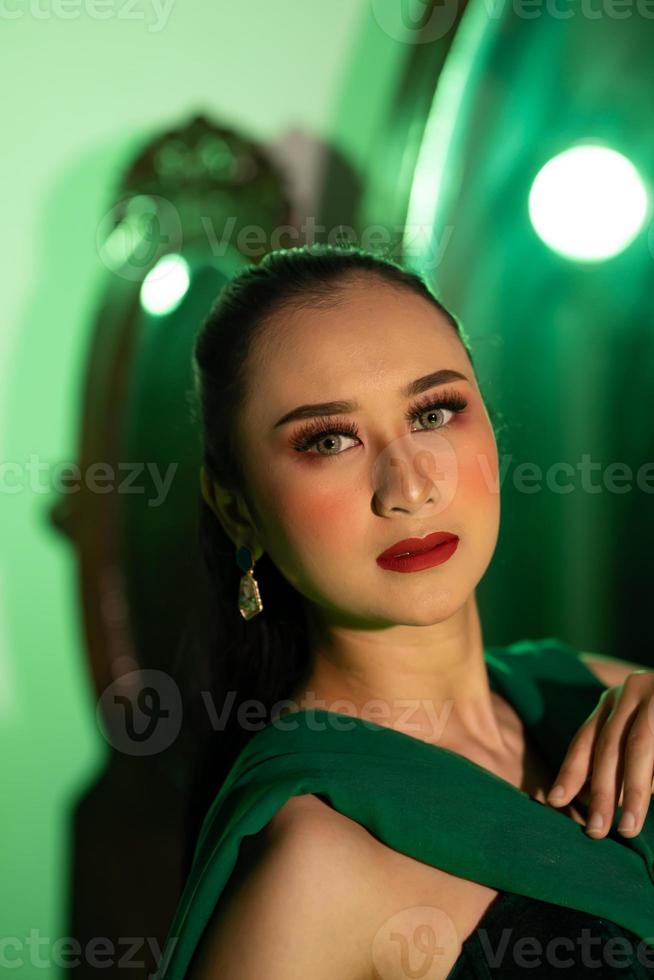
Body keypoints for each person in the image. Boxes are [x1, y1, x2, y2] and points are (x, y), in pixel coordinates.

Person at [157, 244, 654, 980]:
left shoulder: (605, 697)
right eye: (330, 439)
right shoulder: (313, 868)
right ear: (237, 510)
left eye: (435, 411)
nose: (409, 487)